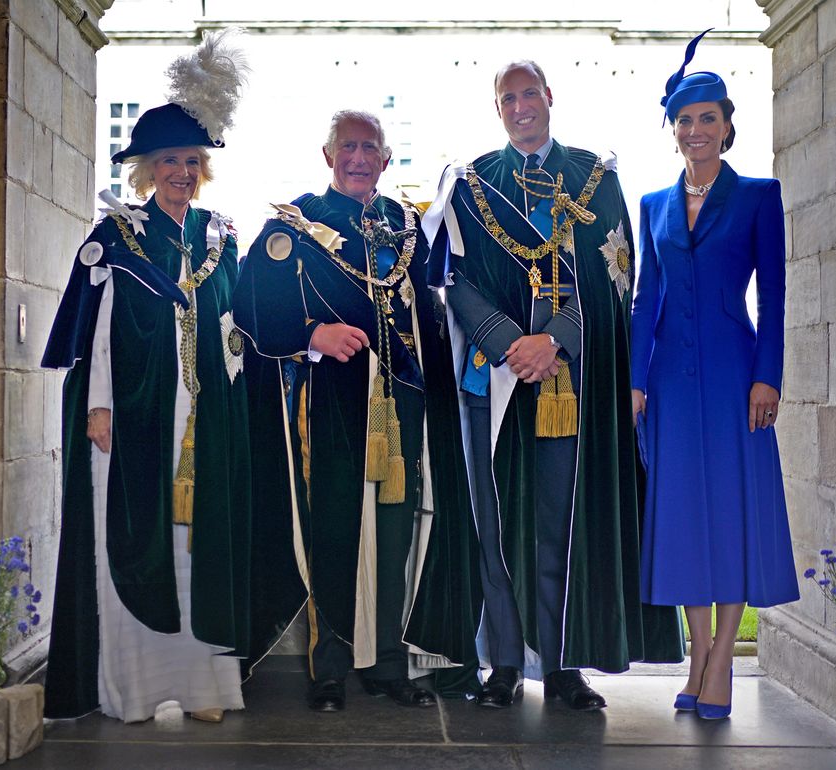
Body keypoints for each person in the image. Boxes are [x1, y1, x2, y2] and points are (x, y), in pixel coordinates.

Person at [422, 61, 684, 711]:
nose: (519, 107)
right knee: (495, 523)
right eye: (507, 98)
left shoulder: (598, 179)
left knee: (558, 523)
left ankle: (564, 665)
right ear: (498, 109)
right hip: (492, 379)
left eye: (528, 94)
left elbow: (618, 277)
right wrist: (508, 342)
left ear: (549, 98)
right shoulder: (471, 182)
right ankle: (505, 664)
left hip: (570, 384)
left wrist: (555, 340)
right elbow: (450, 278)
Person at [234, 110, 480, 713]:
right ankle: (330, 667)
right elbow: (250, 308)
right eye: (349, 146)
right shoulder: (291, 225)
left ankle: (388, 664)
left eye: (371, 147)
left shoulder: (407, 225)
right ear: (328, 155)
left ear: (387, 159)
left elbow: (432, 304)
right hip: (330, 410)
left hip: (404, 407)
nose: (360, 157)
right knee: (335, 532)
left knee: (396, 537)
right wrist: (313, 332)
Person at [40, 31, 252, 724]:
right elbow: (93, 332)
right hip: (134, 420)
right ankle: (131, 689)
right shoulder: (117, 237)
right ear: (146, 170)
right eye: (169, 161)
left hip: (206, 421)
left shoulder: (221, 237)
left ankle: (205, 691)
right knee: (134, 545)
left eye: (192, 161)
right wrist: (98, 407)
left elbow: (234, 326)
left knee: (199, 553)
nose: (182, 172)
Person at [630, 31, 799, 721]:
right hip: (669, 378)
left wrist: (770, 376)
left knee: (730, 514)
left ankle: (723, 657)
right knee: (681, 517)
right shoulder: (653, 205)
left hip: (736, 377)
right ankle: (698, 650)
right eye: (685, 120)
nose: (696, 130)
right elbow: (646, 296)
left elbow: (777, 296)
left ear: (727, 126)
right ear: (673, 131)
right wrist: (637, 379)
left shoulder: (759, 196)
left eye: (708, 118)